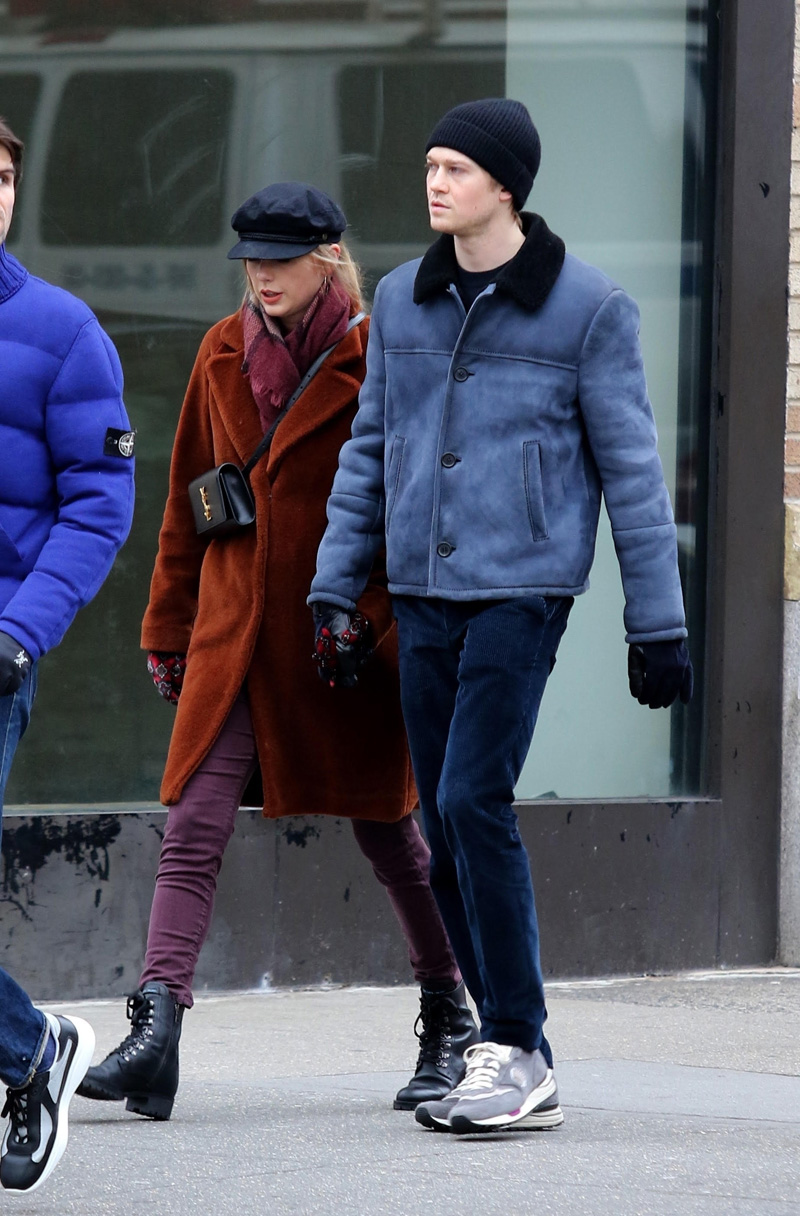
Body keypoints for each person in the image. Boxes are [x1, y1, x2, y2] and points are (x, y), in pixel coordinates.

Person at [309, 98, 693, 1136]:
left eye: (454, 168)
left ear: (504, 186)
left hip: (522, 591)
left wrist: (655, 625)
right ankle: (502, 1046)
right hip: (421, 591)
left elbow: (632, 474)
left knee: (473, 797)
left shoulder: (587, 310)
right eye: (429, 165)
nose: (434, 182)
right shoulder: (400, 298)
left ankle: (517, 1041)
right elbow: (369, 452)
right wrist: (333, 590)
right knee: (438, 815)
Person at [77, 182, 477, 1122]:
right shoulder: (220, 348)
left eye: (278, 259)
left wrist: (376, 628)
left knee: (392, 836)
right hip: (234, 636)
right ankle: (158, 1026)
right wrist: (167, 630)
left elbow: (414, 508)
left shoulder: (381, 354)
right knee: (193, 824)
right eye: (250, 258)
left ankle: (447, 1009)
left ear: (328, 258)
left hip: (342, 639)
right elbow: (190, 502)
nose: (259, 274)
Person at [0, 117, 135, 1191]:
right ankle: (29, 1048)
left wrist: (20, 629)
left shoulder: (62, 330)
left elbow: (98, 506)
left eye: (1, 178)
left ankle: (32, 1053)